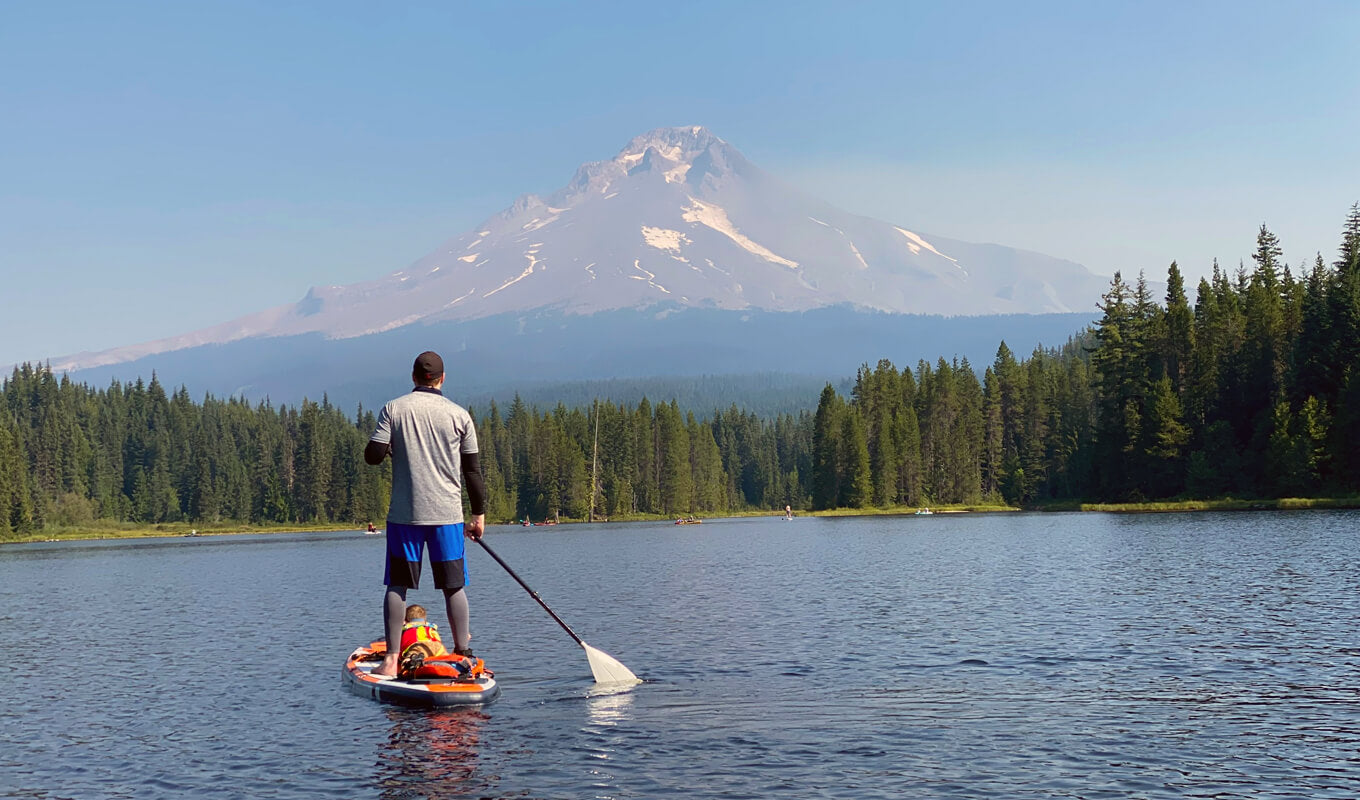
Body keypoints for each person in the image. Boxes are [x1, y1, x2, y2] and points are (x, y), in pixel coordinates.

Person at [365, 351, 487, 678]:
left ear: (414, 377)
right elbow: (472, 473)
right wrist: (478, 516)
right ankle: (463, 653)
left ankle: (391, 659)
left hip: (406, 516)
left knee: (397, 585)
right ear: (442, 379)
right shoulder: (459, 415)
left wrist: (391, 446)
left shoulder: (394, 409)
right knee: (454, 586)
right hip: (448, 515)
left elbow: (372, 456)